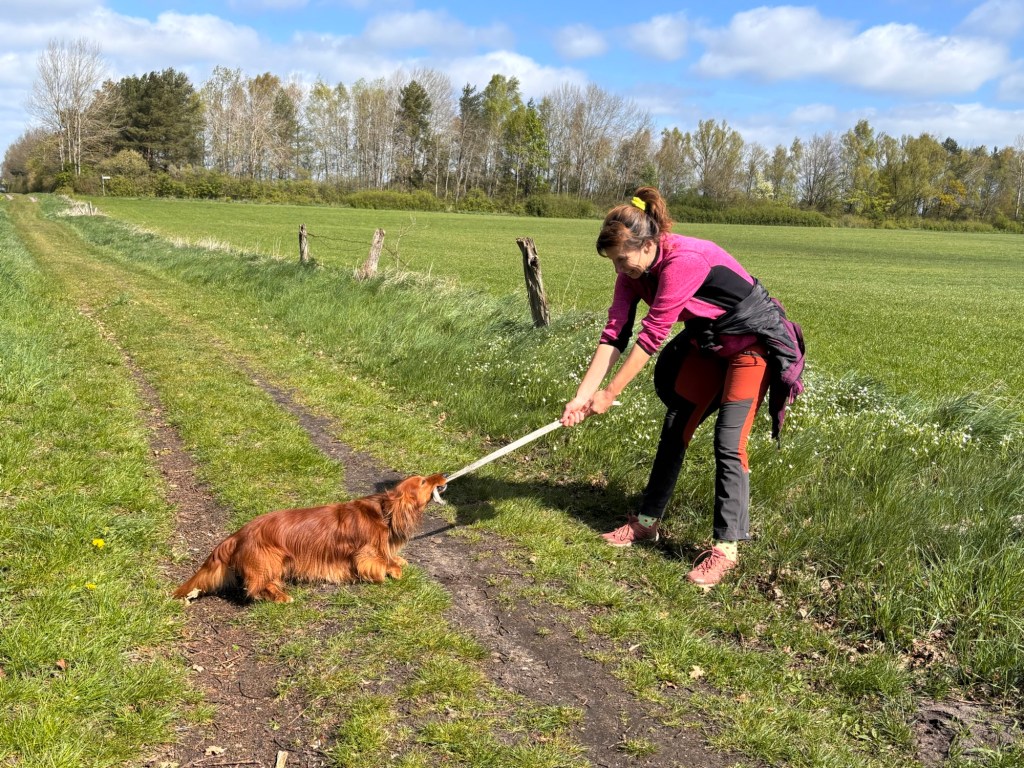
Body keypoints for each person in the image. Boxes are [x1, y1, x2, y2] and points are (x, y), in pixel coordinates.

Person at [561, 187, 804, 587]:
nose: (619, 269)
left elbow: (652, 335)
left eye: (622, 259)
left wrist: (610, 393)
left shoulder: (683, 260)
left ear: (647, 245)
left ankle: (725, 550)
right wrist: (583, 395)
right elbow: (615, 333)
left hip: (751, 346)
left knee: (729, 442)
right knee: (676, 428)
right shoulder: (631, 272)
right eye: (613, 262)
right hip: (709, 344)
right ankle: (646, 523)